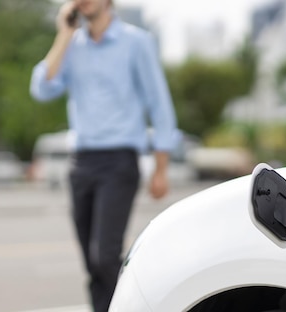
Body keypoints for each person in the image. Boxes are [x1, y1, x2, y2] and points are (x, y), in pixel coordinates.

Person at [29, 0, 178, 311]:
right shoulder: (72, 46)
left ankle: (141, 305)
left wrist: (161, 168)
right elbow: (41, 89)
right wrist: (63, 35)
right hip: (81, 163)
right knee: (91, 264)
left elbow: (159, 104)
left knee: (104, 256)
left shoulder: (136, 42)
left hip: (119, 161)